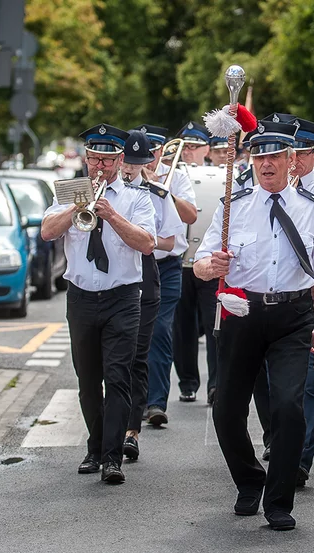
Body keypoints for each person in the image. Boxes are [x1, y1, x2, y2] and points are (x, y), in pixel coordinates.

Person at [193, 120, 314, 531]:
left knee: (288, 407)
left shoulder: (312, 209)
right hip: (243, 314)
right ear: (251, 161)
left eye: (275, 156)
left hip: (293, 317)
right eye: (259, 157)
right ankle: (249, 480)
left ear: (292, 161)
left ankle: (278, 500)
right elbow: (199, 264)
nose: (266, 164)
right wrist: (211, 266)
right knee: (226, 410)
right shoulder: (232, 206)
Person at [40, 123, 156, 483]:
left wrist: (112, 215)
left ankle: (111, 458)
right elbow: (47, 231)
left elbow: (147, 243)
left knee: (117, 377)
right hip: (81, 297)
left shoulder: (136, 198)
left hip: (122, 298)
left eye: (106, 161)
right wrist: (75, 208)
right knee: (88, 380)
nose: (99, 167)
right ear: (86, 159)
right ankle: (94, 447)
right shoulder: (69, 192)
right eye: (94, 160)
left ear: (120, 161)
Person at [251, 116, 314, 486]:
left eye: (301, 153)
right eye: (283, 153)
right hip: (269, 297)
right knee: (266, 379)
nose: (292, 161)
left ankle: (299, 459)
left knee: (309, 381)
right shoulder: (258, 186)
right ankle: (276, 440)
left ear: (312, 154)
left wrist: (304, 207)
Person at [119, 130, 184, 460]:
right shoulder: (108, 193)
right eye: (127, 162)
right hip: (115, 277)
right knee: (114, 357)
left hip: (150, 270)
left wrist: (141, 237)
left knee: (142, 350)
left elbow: (171, 241)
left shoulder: (158, 194)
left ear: (147, 163)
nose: (131, 168)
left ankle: (136, 425)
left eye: (137, 162)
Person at [132, 124, 201, 426]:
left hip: (168, 265)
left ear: (161, 151)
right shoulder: (127, 176)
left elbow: (191, 215)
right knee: (132, 333)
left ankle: (156, 403)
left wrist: (162, 189)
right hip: (134, 263)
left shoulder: (177, 176)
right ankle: (133, 399)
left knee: (159, 330)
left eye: (154, 150)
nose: (149, 156)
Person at [172, 121, 219, 405]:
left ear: (207, 150)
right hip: (179, 263)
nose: (189, 152)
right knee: (183, 327)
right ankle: (188, 382)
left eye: (194, 147)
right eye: (185, 147)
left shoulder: (221, 175)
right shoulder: (171, 176)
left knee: (215, 326)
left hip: (209, 262)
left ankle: (216, 385)